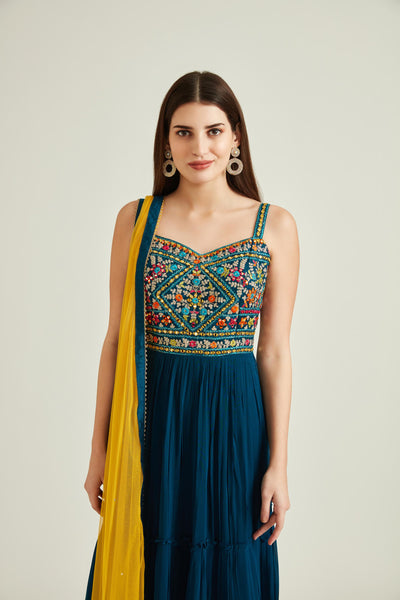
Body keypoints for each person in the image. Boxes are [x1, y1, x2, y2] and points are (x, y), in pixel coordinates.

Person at [84, 70, 299, 600]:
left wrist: (278, 463)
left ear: (235, 137)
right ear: (166, 141)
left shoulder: (274, 226)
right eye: (184, 132)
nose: (199, 147)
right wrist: (98, 450)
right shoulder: (135, 220)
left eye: (214, 131)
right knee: (153, 552)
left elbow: (274, 352)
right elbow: (115, 340)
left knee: (231, 557)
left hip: (236, 422)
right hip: (155, 418)